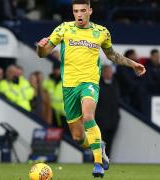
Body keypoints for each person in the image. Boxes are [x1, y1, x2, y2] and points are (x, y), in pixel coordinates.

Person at [36, 0, 146, 177]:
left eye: (82, 11)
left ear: (90, 11)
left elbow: (112, 55)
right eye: (75, 11)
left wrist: (133, 64)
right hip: (69, 87)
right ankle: (99, 146)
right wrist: (40, 48)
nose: (79, 14)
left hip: (89, 83)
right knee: (78, 137)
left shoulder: (101, 32)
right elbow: (44, 53)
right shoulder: (64, 28)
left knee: (88, 115)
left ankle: (97, 164)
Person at [95, 65, 120, 157]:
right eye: (107, 72)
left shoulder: (115, 84)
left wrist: (117, 118)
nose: (109, 74)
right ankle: (97, 160)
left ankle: (106, 160)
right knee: (99, 142)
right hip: (100, 120)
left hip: (113, 120)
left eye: (110, 72)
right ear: (103, 73)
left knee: (109, 143)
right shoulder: (97, 85)